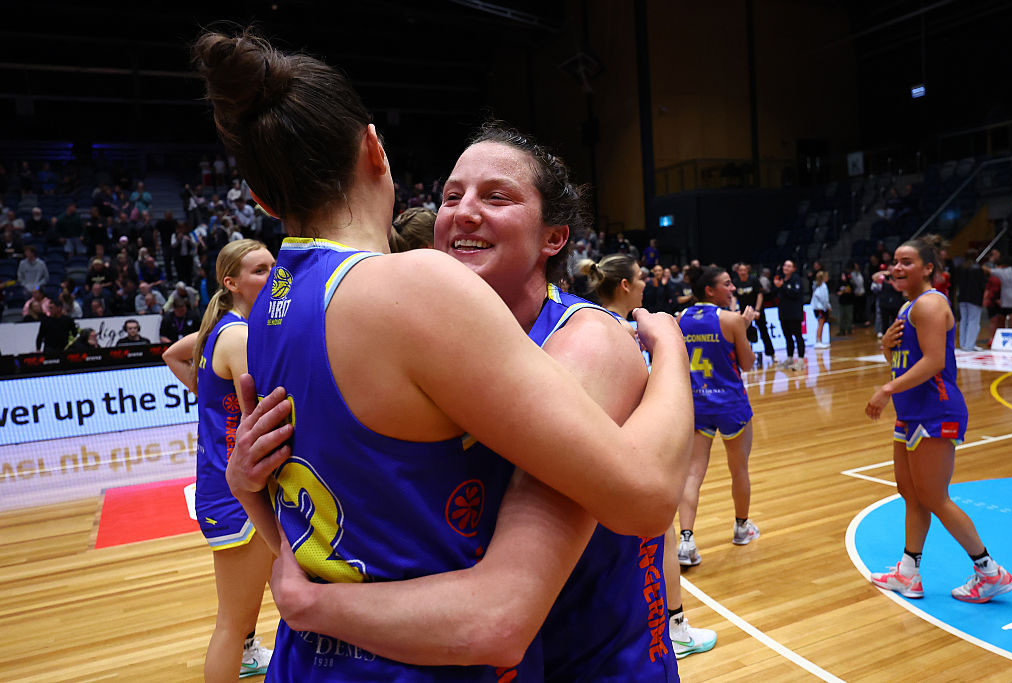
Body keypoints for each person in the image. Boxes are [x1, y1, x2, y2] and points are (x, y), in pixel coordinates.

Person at [195, 27, 689, 682]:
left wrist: (259, 508)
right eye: (452, 195)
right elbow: (638, 500)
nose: (464, 212)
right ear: (375, 150)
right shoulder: (411, 298)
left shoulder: (272, 307)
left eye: (497, 196)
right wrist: (672, 351)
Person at [578, 252, 717, 661]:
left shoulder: (592, 322)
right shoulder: (616, 331)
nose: (645, 285)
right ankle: (677, 629)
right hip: (628, 457)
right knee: (662, 535)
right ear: (625, 285)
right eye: (640, 278)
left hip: (611, 459)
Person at [866, 235, 1012, 603]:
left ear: (928, 268)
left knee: (934, 496)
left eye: (907, 262)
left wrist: (886, 389)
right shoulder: (909, 307)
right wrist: (886, 349)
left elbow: (934, 362)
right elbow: (905, 362)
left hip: (936, 410)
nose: (897, 268)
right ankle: (908, 573)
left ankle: (990, 572)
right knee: (910, 493)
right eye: (895, 262)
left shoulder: (931, 304)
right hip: (911, 410)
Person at [163, 239, 277, 682]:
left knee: (287, 599)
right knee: (232, 625)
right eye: (259, 271)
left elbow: (174, 354)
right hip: (237, 495)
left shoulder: (222, 329)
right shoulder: (239, 336)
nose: (273, 276)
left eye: (273, 266)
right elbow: (267, 411)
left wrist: (209, 395)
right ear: (231, 283)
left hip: (234, 486)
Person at [676, 265, 759, 567]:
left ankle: (686, 541)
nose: (733, 288)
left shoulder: (679, 319)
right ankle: (741, 528)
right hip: (731, 405)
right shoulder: (731, 319)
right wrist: (743, 327)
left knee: (692, 474)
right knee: (739, 470)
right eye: (727, 284)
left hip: (698, 405)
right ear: (710, 290)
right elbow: (747, 364)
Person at [733, 263, 773, 363]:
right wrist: (733, 311)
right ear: (738, 271)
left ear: (747, 271)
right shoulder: (736, 282)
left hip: (756, 310)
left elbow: (760, 295)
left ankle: (772, 354)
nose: (742, 272)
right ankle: (746, 356)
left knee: (763, 331)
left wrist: (757, 310)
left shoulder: (753, 280)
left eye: (744, 270)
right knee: (744, 334)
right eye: (740, 270)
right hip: (744, 312)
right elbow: (734, 297)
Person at [772, 259, 805, 369]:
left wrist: (783, 286)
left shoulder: (796, 279)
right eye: (785, 265)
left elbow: (795, 293)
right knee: (787, 337)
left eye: (789, 266)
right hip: (783, 313)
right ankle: (790, 358)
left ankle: (801, 360)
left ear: (794, 269)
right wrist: (777, 286)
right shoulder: (781, 279)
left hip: (794, 313)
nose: (786, 268)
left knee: (798, 336)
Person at [955, 249, 986, 350]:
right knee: (973, 321)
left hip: (962, 297)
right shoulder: (978, 268)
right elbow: (982, 285)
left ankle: (963, 343)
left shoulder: (960, 267)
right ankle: (970, 345)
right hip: (974, 298)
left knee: (964, 320)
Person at [811, 270, 831, 348]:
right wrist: (828, 306)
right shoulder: (823, 286)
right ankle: (818, 341)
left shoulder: (816, 285)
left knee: (820, 324)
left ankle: (819, 340)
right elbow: (824, 298)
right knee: (820, 324)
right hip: (820, 308)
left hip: (817, 307)